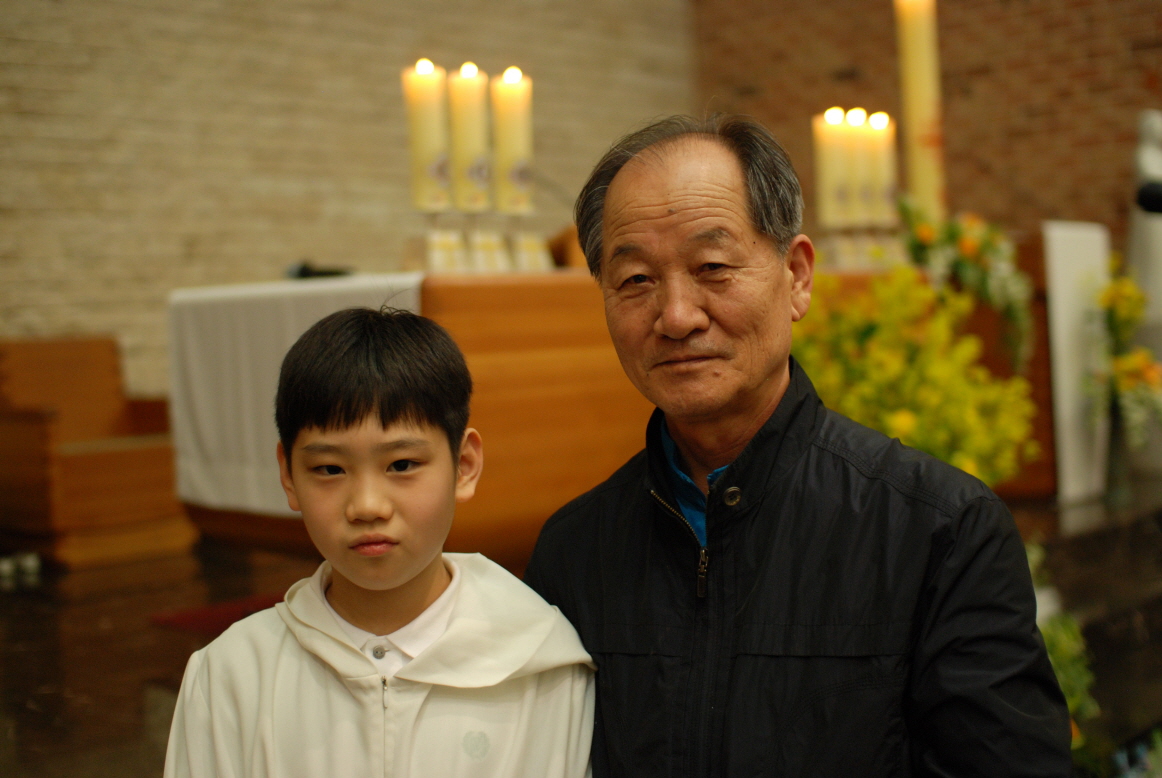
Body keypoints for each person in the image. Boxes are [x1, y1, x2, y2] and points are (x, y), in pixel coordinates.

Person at [524, 115, 1071, 777]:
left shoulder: (939, 532)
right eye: (636, 279)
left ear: (798, 276)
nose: (676, 316)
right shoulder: (574, 552)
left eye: (712, 267)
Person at [165, 307, 594, 778]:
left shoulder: (542, 666)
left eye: (402, 465)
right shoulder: (232, 675)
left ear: (464, 465)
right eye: (329, 469)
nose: (367, 506)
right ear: (288, 476)